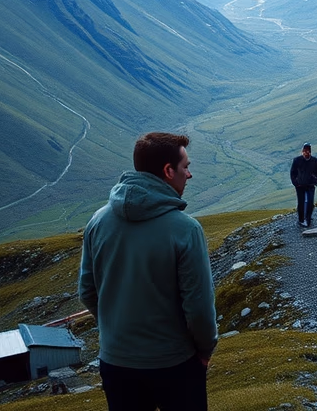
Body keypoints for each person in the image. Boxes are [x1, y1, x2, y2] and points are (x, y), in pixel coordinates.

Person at [79, 132, 217, 411]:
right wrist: (204, 350)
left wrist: (116, 333)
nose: (189, 174)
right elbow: (199, 307)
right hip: (175, 364)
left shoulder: (98, 221)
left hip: (116, 363)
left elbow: (87, 291)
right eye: (185, 167)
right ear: (168, 171)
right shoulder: (186, 229)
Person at [290, 142, 317, 228]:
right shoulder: (297, 160)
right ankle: (301, 219)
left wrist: (315, 181)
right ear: (302, 151)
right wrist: (295, 183)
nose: (305, 153)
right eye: (304, 151)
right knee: (301, 203)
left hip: (310, 185)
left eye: (307, 151)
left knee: (310, 202)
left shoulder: (314, 161)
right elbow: (293, 173)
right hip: (300, 185)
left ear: (310, 152)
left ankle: (308, 219)